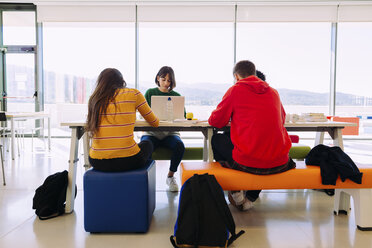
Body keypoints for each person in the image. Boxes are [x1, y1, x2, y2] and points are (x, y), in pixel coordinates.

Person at [208, 60, 295, 211]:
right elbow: (282, 118)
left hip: (250, 162)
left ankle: (236, 191)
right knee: (263, 151)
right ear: (254, 73)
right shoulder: (274, 92)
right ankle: (251, 198)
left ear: (236, 76)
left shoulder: (235, 90)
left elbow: (216, 121)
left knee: (217, 139)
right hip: (280, 162)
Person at [86, 68, 159, 172]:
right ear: (122, 81)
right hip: (128, 160)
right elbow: (155, 123)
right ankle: (143, 179)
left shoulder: (94, 99)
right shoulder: (134, 94)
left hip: (97, 161)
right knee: (147, 143)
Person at [141, 66, 185, 192]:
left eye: (169, 81)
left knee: (179, 146)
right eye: (163, 79)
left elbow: (183, 115)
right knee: (145, 146)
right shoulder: (150, 93)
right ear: (158, 78)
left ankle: (170, 177)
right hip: (151, 133)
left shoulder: (176, 96)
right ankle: (146, 178)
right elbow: (143, 113)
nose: (166, 83)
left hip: (170, 134)